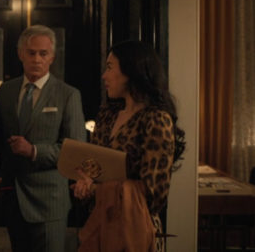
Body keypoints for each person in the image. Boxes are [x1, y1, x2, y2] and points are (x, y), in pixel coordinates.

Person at [71, 41, 186, 252]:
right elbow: (96, 167)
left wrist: (99, 189)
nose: (104, 76)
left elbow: (154, 193)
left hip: (135, 231)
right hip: (102, 225)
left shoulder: (156, 119)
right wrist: (86, 182)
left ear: (131, 71)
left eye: (109, 67)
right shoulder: (107, 115)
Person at [0, 25, 86, 252]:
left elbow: (75, 150)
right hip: (13, 197)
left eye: (43, 54)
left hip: (49, 200)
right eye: (31, 52)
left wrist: (34, 150)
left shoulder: (68, 94)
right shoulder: (7, 90)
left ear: (52, 57)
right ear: (20, 54)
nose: (37, 59)